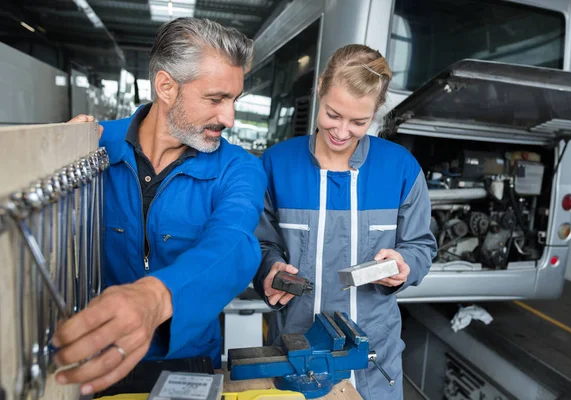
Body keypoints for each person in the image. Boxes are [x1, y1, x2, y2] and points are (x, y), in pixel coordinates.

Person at [52, 18, 267, 396]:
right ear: (166, 86)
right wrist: (59, 157)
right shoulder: (94, 147)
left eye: (234, 100)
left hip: (188, 356)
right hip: (95, 353)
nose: (229, 118)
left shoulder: (238, 168)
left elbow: (232, 243)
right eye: (216, 99)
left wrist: (155, 296)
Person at [253, 44, 437, 399]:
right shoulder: (276, 165)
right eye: (333, 114)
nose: (341, 131)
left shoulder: (400, 169)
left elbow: (421, 246)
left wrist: (405, 265)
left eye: (359, 122)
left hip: (374, 362)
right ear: (321, 88)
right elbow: (260, 242)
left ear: (376, 113)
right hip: (295, 354)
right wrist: (270, 270)